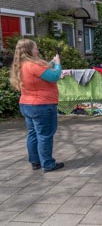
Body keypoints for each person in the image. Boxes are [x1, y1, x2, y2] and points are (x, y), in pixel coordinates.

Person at [9, 39, 64, 172]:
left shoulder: (21, 64)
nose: (37, 50)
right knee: (45, 135)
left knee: (33, 134)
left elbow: (41, 73)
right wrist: (57, 64)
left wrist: (51, 62)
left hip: (27, 104)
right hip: (42, 105)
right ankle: (48, 164)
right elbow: (54, 76)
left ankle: (35, 161)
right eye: (35, 48)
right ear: (28, 50)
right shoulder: (33, 65)